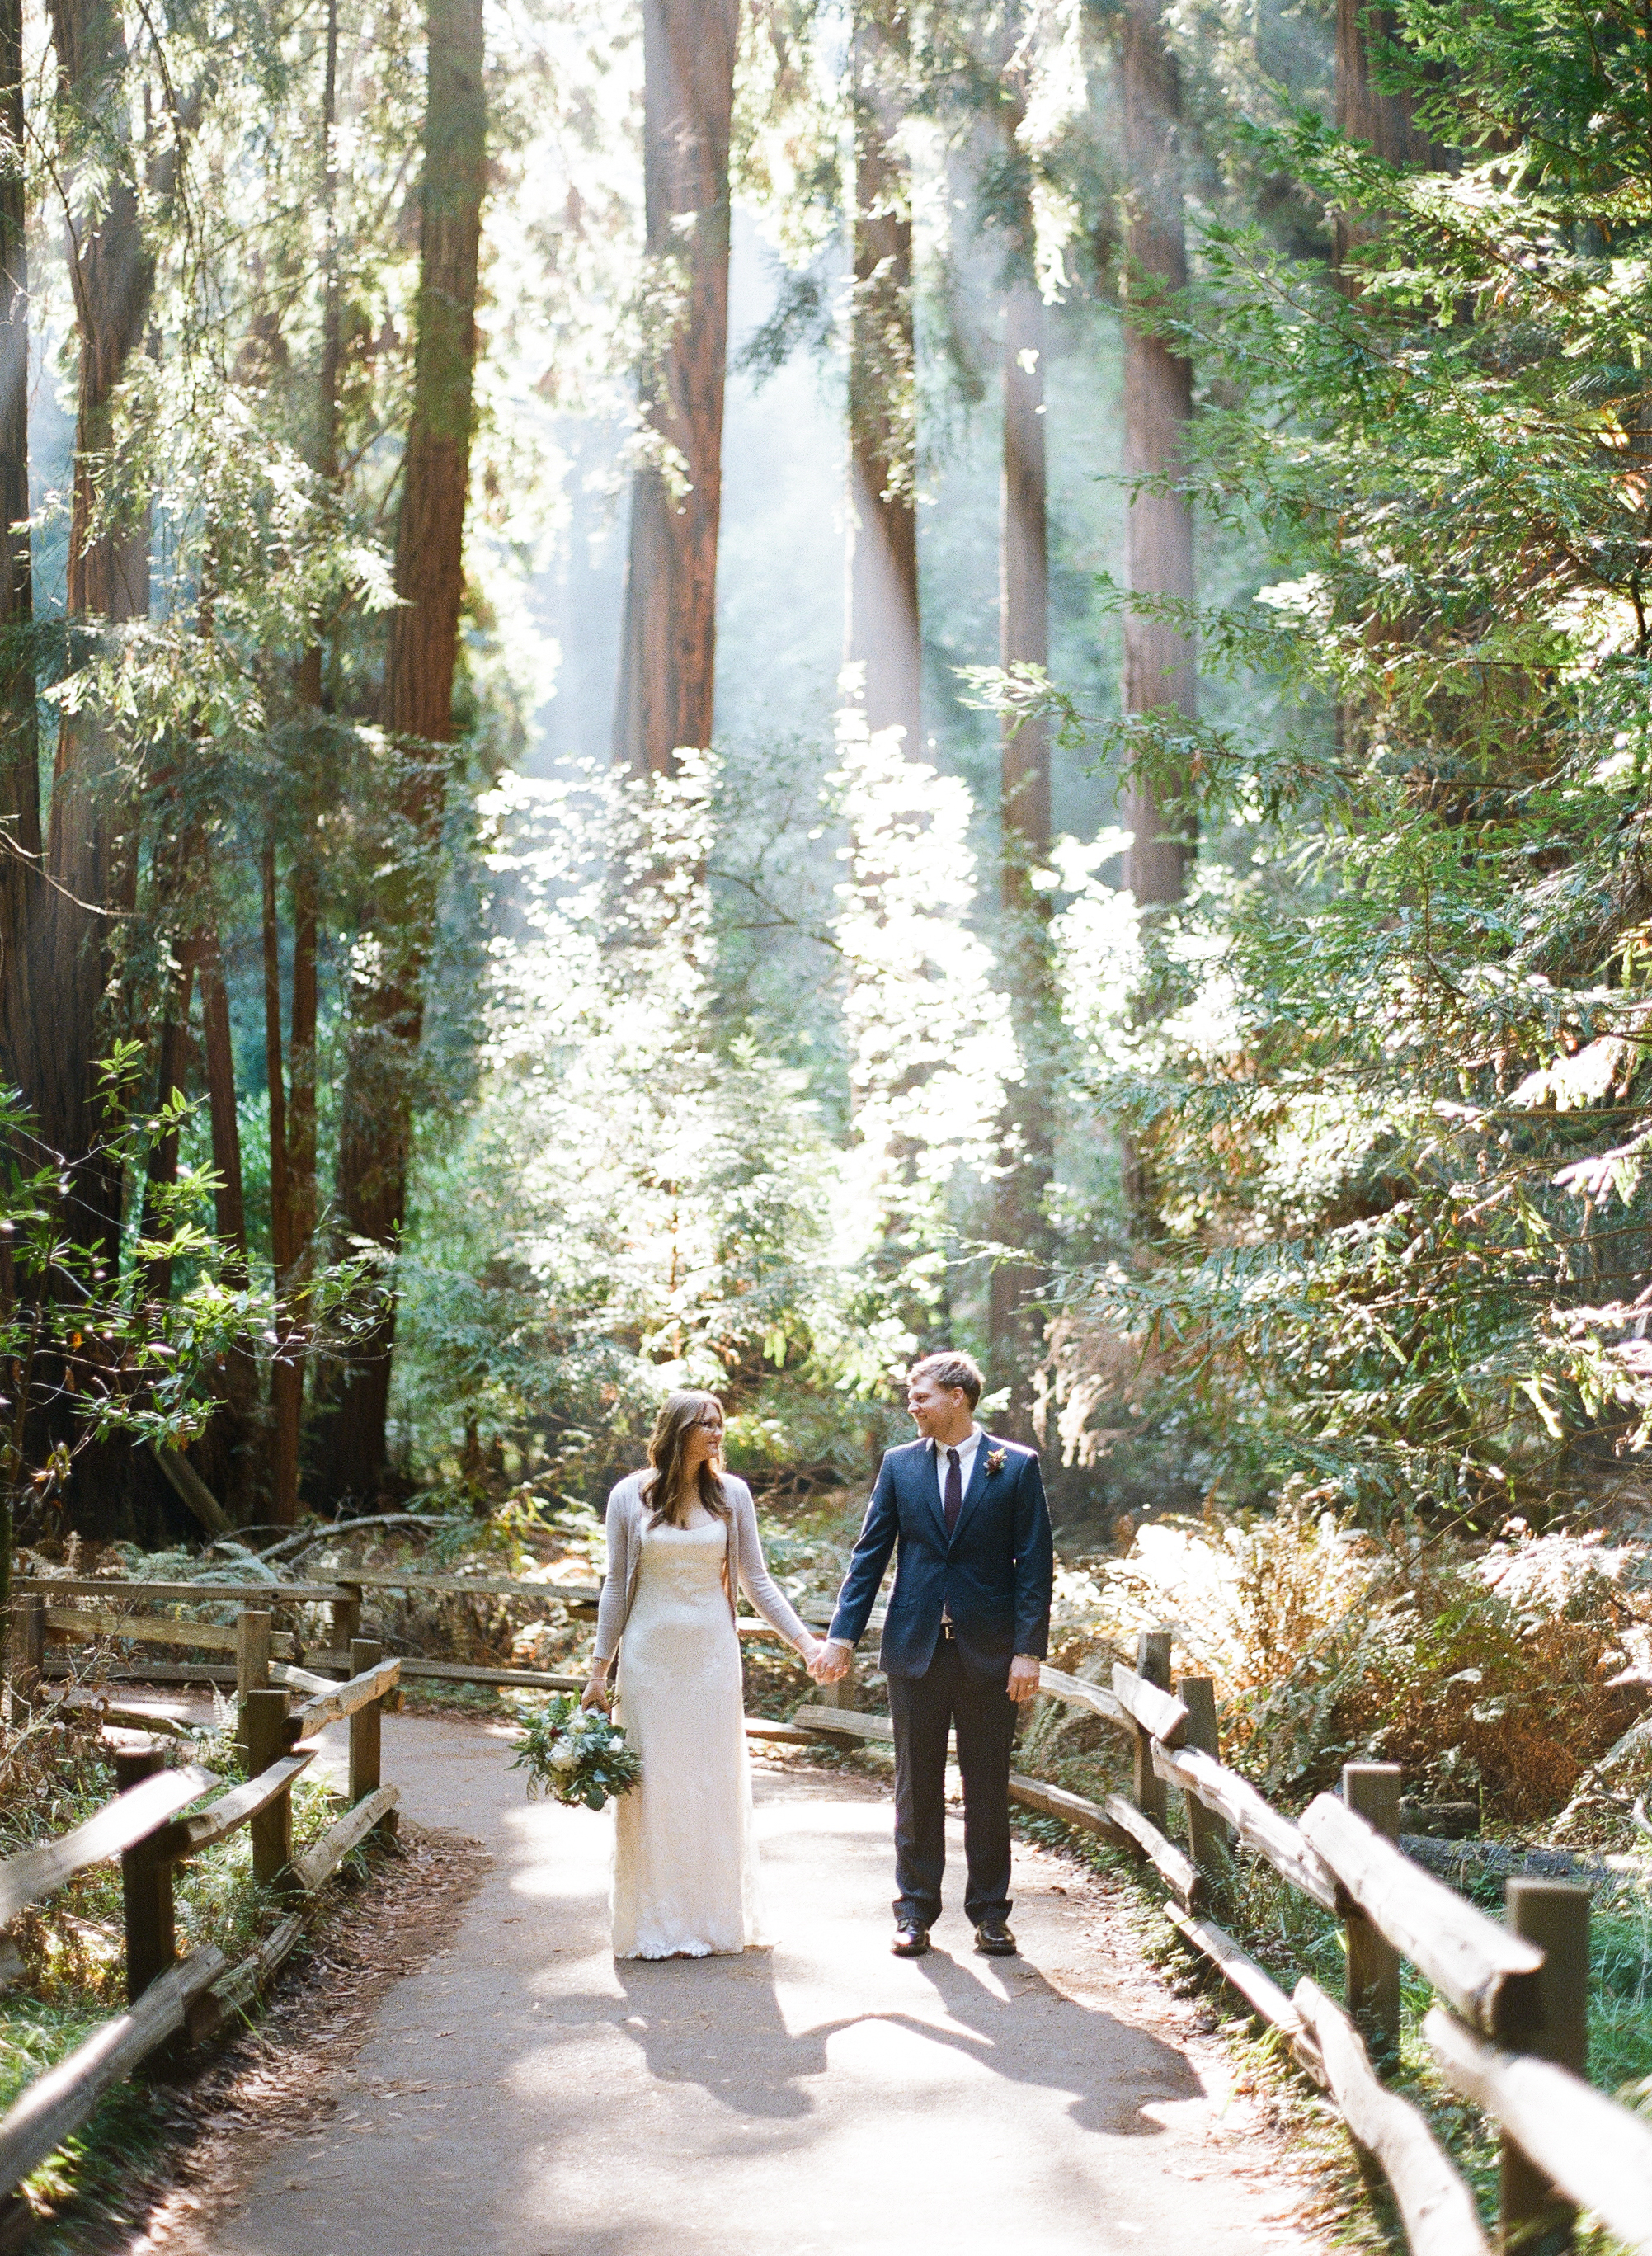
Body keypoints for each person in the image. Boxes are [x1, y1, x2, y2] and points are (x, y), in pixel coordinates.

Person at [812, 1351, 1053, 1959]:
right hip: (914, 1648)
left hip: (991, 1653)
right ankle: (914, 1911)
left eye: (919, 1396)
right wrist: (842, 1634)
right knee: (914, 1786)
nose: (910, 1406)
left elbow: (1034, 1569)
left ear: (957, 1395)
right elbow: (869, 1556)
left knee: (987, 1784)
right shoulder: (898, 1467)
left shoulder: (1016, 1466)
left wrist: (1028, 1650)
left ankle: (990, 1913)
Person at [582, 1390, 824, 1958]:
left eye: (720, 1422)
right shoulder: (629, 1496)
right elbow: (616, 1585)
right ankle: (656, 1922)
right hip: (649, 1658)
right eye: (704, 1423)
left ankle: (715, 1920)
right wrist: (599, 1668)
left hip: (712, 1657)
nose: (717, 1432)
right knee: (656, 1784)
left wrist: (806, 1643)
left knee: (710, 1781)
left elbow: (756, 1581)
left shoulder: (732, 1493)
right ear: (677, 1430)